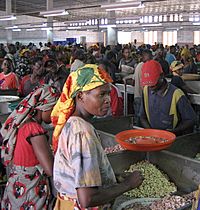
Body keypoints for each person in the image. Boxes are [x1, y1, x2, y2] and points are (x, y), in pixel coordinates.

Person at [51, 64, 143, 210]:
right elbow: (87, 198)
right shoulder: (82, 132)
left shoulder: (73, 123)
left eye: (108, 94)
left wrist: (112, 178)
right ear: (80, 95)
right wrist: (128, 185)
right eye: (101, 94)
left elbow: (78, 172)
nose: (108, 99)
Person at [1, 84, 60, 210]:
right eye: (54, 108)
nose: (56, 113)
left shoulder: (23, 125)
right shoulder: (34, 129)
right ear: (43, 106)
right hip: (29, 190)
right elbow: (49, 169)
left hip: (16, 187)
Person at [139, 60, 196, 136]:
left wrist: (174, 131)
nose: (151, 87)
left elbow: (191, 119)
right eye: (148, 84)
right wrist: (151, 133)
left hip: (172, 139)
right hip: (152, 137)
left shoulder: (176, 94)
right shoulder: (146, 90)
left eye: (153, 83)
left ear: (162, 75)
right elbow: (142, 117)